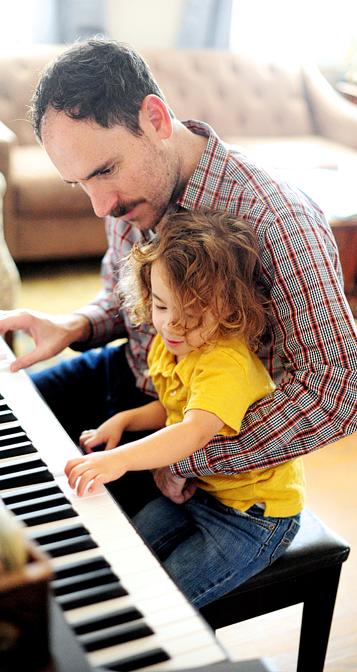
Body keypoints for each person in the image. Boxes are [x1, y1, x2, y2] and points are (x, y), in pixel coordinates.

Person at [0, 39, 357, 515]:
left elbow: (340, 392)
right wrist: (73, 326)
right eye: (80, 184)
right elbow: (126, 301)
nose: (101, 206)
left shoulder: (275, 218)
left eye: (104, 171)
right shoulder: (128, 194)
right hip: (138, 376)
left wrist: (192, 459)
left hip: (196, 428)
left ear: (156, 120)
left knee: (44, 517)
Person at [65, 211, 303, 607]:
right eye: (160, 307)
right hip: (201, 493)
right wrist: (124, 420)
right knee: (123, 553)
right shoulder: (172, 344)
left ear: (230, 310)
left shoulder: (224, 364)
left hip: (254, 519)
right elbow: (171, 407)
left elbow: (192, 431)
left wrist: (121, 460)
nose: (172, 326)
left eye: (191, 315)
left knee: (161, 601)